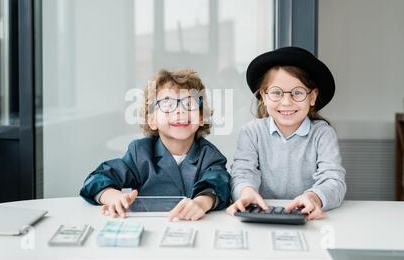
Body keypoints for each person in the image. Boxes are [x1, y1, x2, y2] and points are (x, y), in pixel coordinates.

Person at [80, 69, 231, 221]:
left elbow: (219, 183)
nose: (180, 111)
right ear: (151, 119)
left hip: (197, 229)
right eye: (167, 104)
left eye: (189, 104)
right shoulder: (140, 153)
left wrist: (202, 202)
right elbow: (97, 178)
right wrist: (113, 197)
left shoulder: (210, 156)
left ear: (201, 116)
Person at [227, 47, 346, 220]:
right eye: (276, 92)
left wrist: (314, 197)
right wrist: (246, 192)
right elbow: (243, 173)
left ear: (312, 97)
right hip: (261, 215)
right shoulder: (252, 132)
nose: (286, 102)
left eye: (297, 93)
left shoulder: (323, 134)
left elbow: (333, 180)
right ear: (264, 96)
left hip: (309, 218)